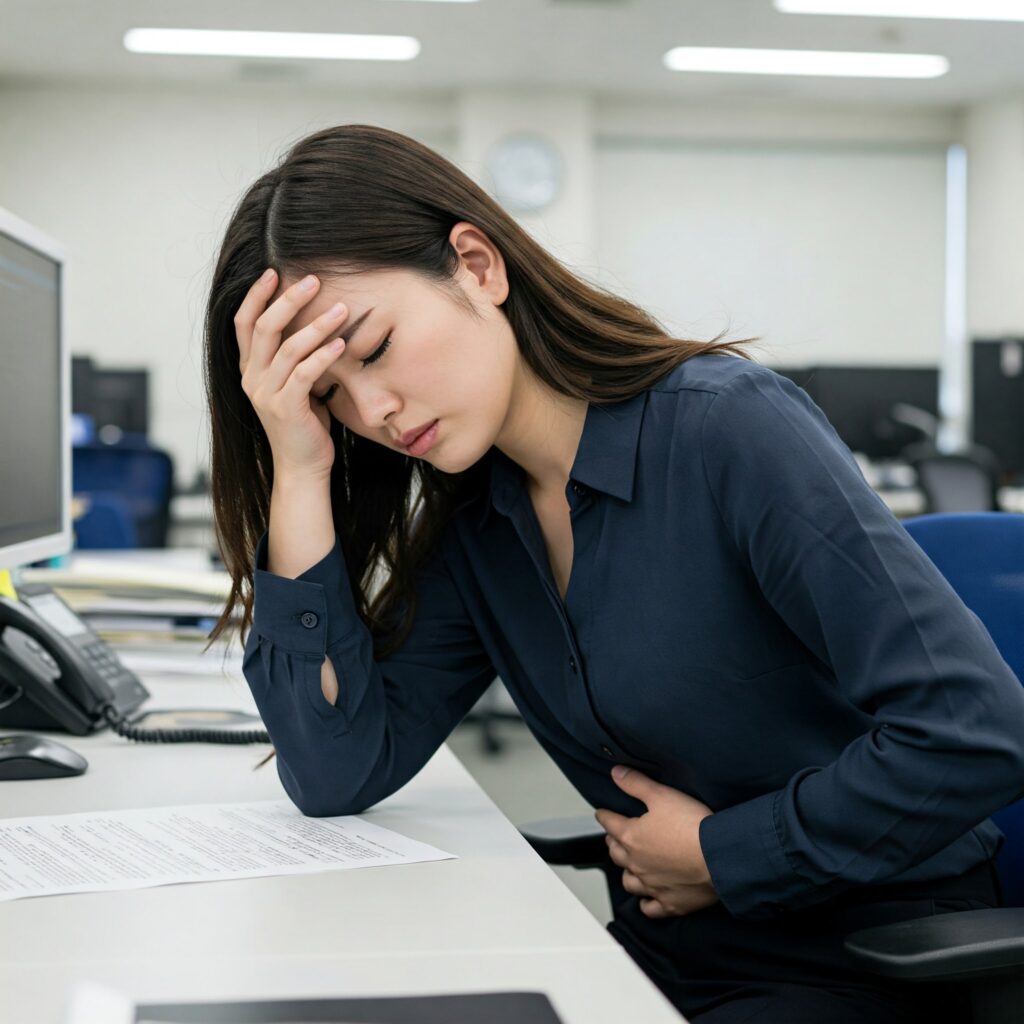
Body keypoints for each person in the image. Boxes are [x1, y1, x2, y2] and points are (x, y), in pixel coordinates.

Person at [203, 124, 1024, 1023]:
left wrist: (724, 853)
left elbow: (977, 728)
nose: (373, 411)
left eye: (373, 349)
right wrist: (299, 463)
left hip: (866, 959)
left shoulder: (729, 433)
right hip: (661, 957)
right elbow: (333, 773)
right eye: (328, 398)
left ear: (478, 266)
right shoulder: (478, 517)